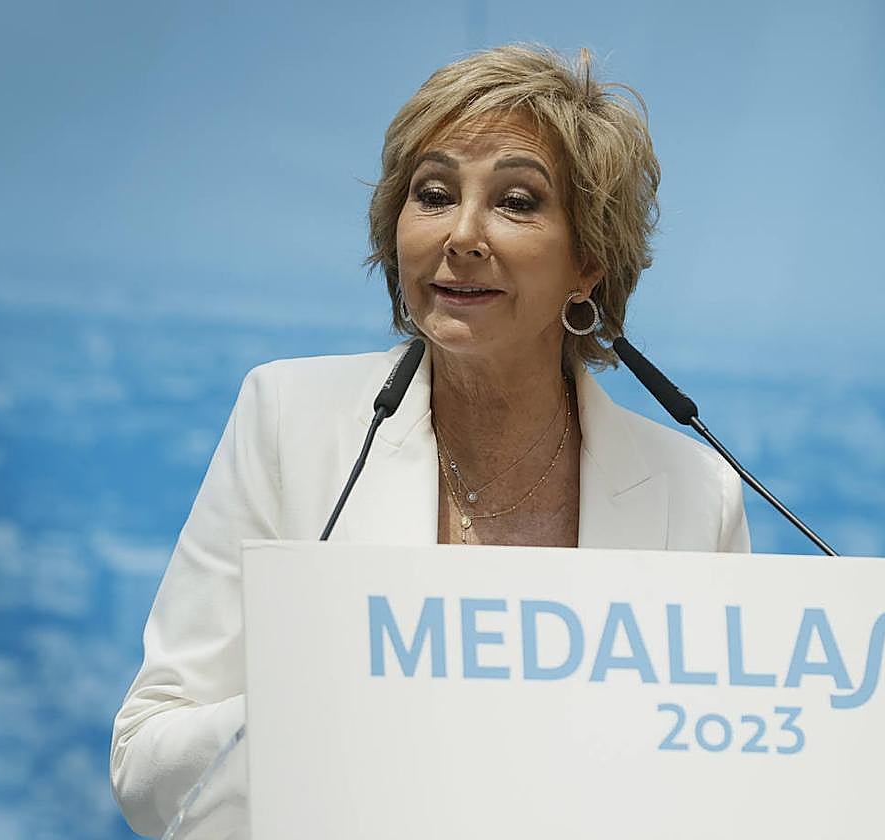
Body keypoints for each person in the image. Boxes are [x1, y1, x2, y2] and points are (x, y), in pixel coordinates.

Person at [111, 43, 750, 837]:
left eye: (517, 201)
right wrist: (323, 716)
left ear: (589, 264)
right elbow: (146, 762)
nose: (463, 234)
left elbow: (723, 789)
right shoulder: (289, 418)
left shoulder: (695, 494)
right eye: (435, 194)